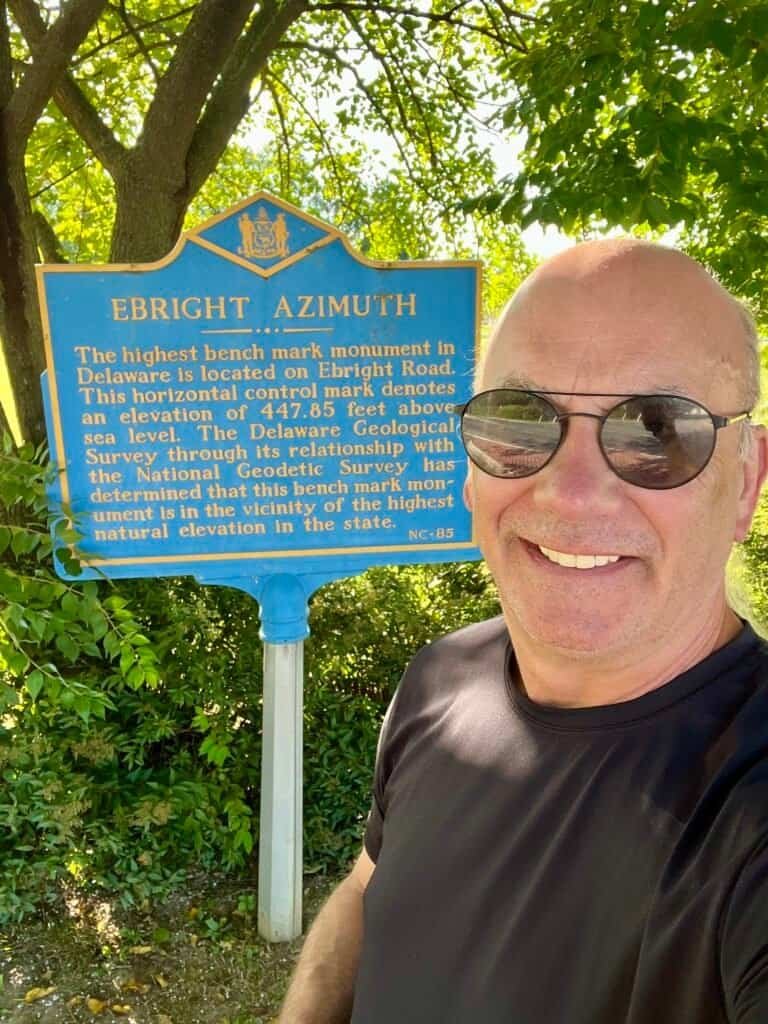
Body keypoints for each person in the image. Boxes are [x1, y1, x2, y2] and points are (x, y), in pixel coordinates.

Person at [277, 239, 768, 1023]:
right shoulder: (442, 678)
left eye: (657, 430)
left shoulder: (748, 810)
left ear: (743, 482)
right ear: (471, 467)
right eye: (521, 420)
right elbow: (370, 891)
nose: (571, 493)